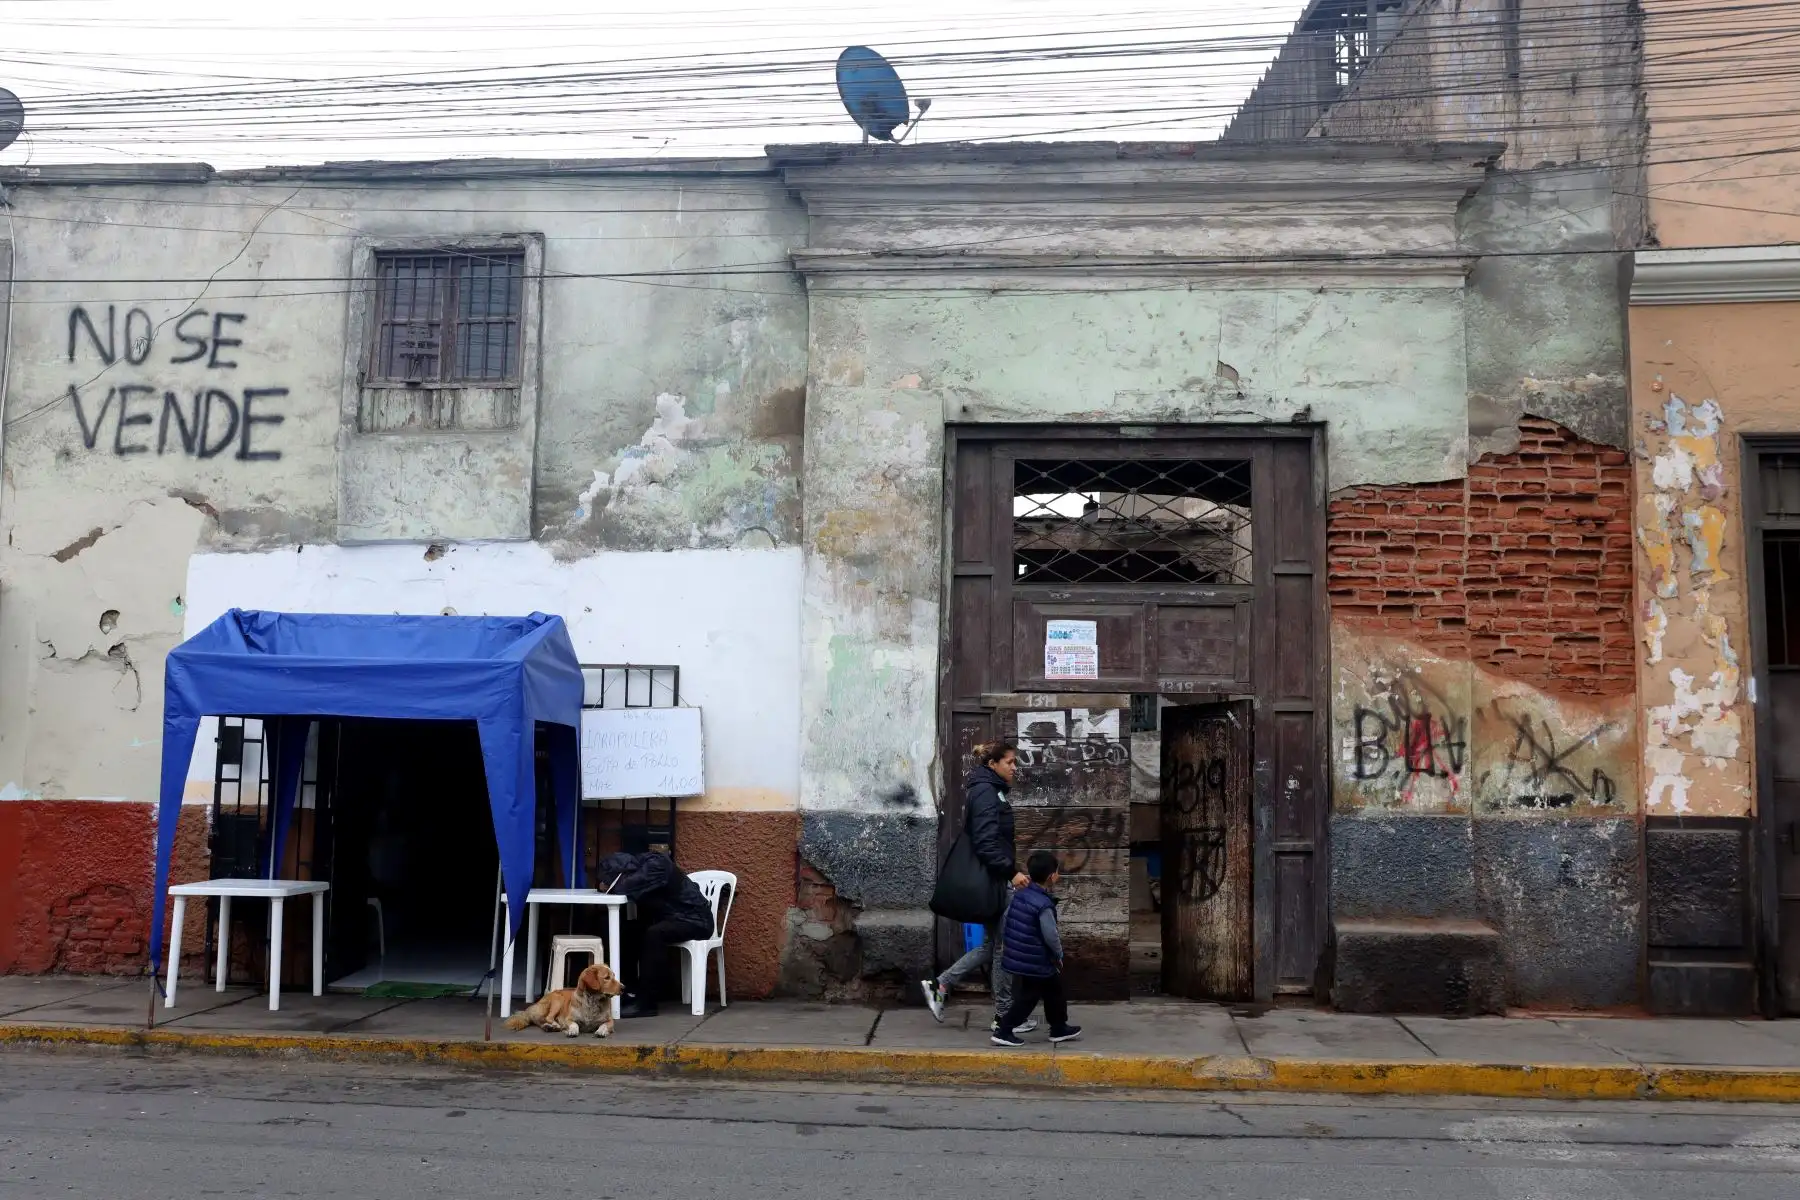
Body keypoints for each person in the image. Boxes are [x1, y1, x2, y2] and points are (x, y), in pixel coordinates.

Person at [920, 740, 1036, 1036]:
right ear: (992, 764)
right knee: (1002, 947)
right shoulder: (986, 792)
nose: (1014, 767)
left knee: (992, 945)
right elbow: (986, 841)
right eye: (1009, 762)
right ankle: (1003, 1016)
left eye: (1014, 762)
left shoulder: (988, 789)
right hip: (994, 880)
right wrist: (1011, 872)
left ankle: (940, 984)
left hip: (994, 879)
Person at [596, 850, 715, 1018]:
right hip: (674, 918)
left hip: (696, 921)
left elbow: (627, 886)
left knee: (654, 934)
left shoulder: (656, 865)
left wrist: (610, 886)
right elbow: (612, 887)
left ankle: (647, 1002)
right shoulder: (640, 869)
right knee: (628, 930)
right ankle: (630, 991)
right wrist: (607, 885)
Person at [991, 850, 1083, 1047]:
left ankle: (1058, 1027)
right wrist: (1058, 954)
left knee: (1053, 990)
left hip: (1023, 955)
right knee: (1029, 997)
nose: (1058, 875)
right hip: (1037, 958)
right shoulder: (1044, 905)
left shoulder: (1021, 894)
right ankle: (1004, 1030)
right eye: (1057, 872)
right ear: (1051, 877)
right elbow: (1051, 935)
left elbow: (1008, 920)